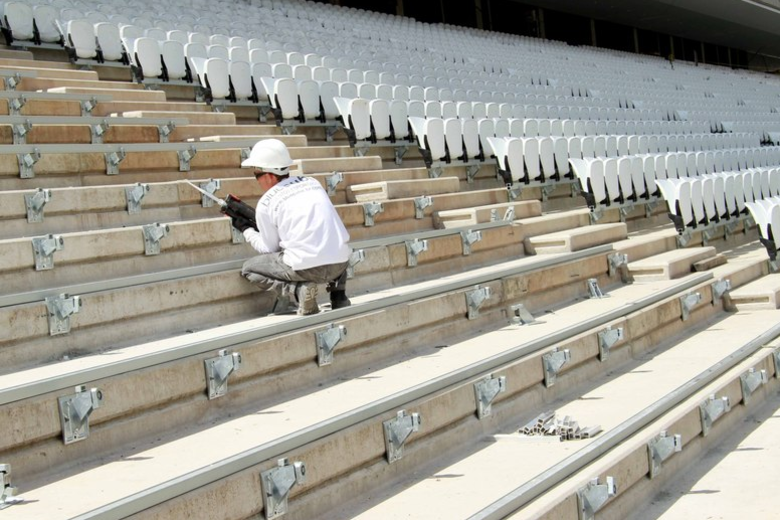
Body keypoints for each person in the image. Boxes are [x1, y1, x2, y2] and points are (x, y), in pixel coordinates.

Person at [231, 139, 352, 315]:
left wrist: (246, 230)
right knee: (331, 243)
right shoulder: (313, 183)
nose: (256, 180)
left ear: (270, 175)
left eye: (256, 174)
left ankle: (298, 291)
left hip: (307, 269)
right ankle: (339, 296)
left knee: (249, 269)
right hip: (340, 263)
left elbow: (269, 248)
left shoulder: (266, 203)